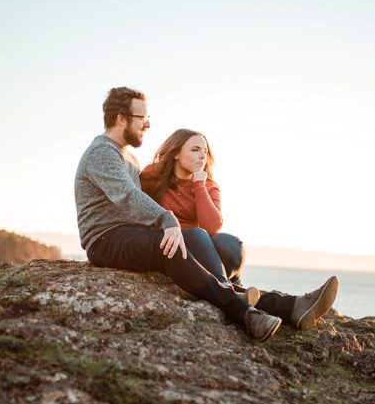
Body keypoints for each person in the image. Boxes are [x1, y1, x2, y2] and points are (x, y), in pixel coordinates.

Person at [74, 87, 335, 341]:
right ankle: (244, 312)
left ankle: (291, 307)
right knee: (170, 246)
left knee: (191, 238)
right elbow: (129, 198)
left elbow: (207, 224)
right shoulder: (103, 153)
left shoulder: (128, 157)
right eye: (142, 118)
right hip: (105, 239)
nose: (148, 125)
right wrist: (168, 220)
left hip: (132, 234)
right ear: (121, 119)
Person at [141, 128, 339, 331]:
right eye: (195, 149)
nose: (202, 155)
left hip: (202, 252)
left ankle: (231, 288)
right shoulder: (151, 176)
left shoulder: (208, 186)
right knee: (198, 235)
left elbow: (212, 226)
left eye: (205, 151)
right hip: (171, 249)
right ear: (176, 152)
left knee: (228, 244)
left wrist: (199, 185)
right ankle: (291, 306)